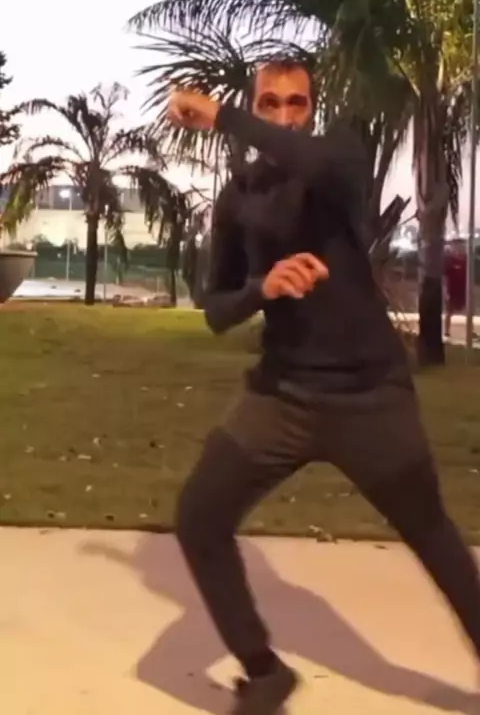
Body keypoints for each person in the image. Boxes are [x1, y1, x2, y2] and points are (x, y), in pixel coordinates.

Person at [168, 60, 480, 715]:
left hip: (370, 396)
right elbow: (216, 308)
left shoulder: (339, 157)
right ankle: (265, 672)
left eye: (296, 103)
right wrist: (263, 287)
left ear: (312, 109)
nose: (284, 116)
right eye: (270, 103)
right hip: (281, 396)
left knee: (432, 533)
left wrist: (220, 115)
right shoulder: (238, 197)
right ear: (256, 103)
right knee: (199, 516)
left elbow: (305, 159)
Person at [444, 238, 475, 340]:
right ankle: (447, 332)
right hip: (452, 291)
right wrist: (446, 292)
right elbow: (446, 277)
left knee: (469, 311)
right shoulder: (450, 261)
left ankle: (470, 331)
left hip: (464, 291)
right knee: (449, 312)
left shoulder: (467, 260)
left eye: (462, 246)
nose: (461, 248)